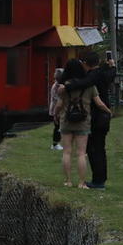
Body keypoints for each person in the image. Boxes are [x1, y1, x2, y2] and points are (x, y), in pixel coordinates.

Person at [55, 57, 113, 189]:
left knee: (67, 152)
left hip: (66, 121)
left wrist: (55, 115)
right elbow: (99, 103)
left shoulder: (64, 86)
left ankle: (68, 181)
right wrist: (108, 111)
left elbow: (58, 105)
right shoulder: (89, 85)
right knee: (81, 153)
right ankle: (82, 182)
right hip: (83, 122)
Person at [48, 68, 65, 151]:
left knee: (59, 126)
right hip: (56, 110)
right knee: (57, 127)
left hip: (57, 109)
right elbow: (58, 100)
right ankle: (55, 144)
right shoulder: (56, 87)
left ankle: (57, 143)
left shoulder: (57, 85)